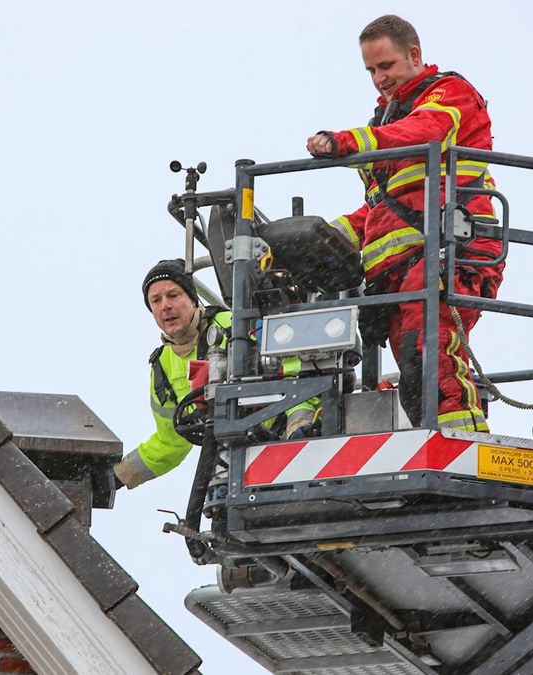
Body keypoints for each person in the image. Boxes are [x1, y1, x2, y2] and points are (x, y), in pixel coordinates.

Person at [306, 14, 504, 432]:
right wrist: (317, 239)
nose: (380, 78)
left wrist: (349, 141)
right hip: (400, 272)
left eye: (387, 66)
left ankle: (462, 450)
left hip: (453, 251)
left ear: (414, 55)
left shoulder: (449, 94)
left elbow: (425, 131)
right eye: (371, 70)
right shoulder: (385, 123)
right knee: (416, 367)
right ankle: (439, 442)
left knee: (429, 346)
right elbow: (383, 208)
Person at [114, 260, 317, 489]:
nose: (165, 306)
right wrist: (119, 476)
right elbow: (171, 441)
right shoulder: (162, 368)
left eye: (173, 295)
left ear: (193, 298)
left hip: (282, 444)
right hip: (229, 468)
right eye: (156, 301)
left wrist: (298, 429)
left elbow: (294, 376)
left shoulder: (236, 325)